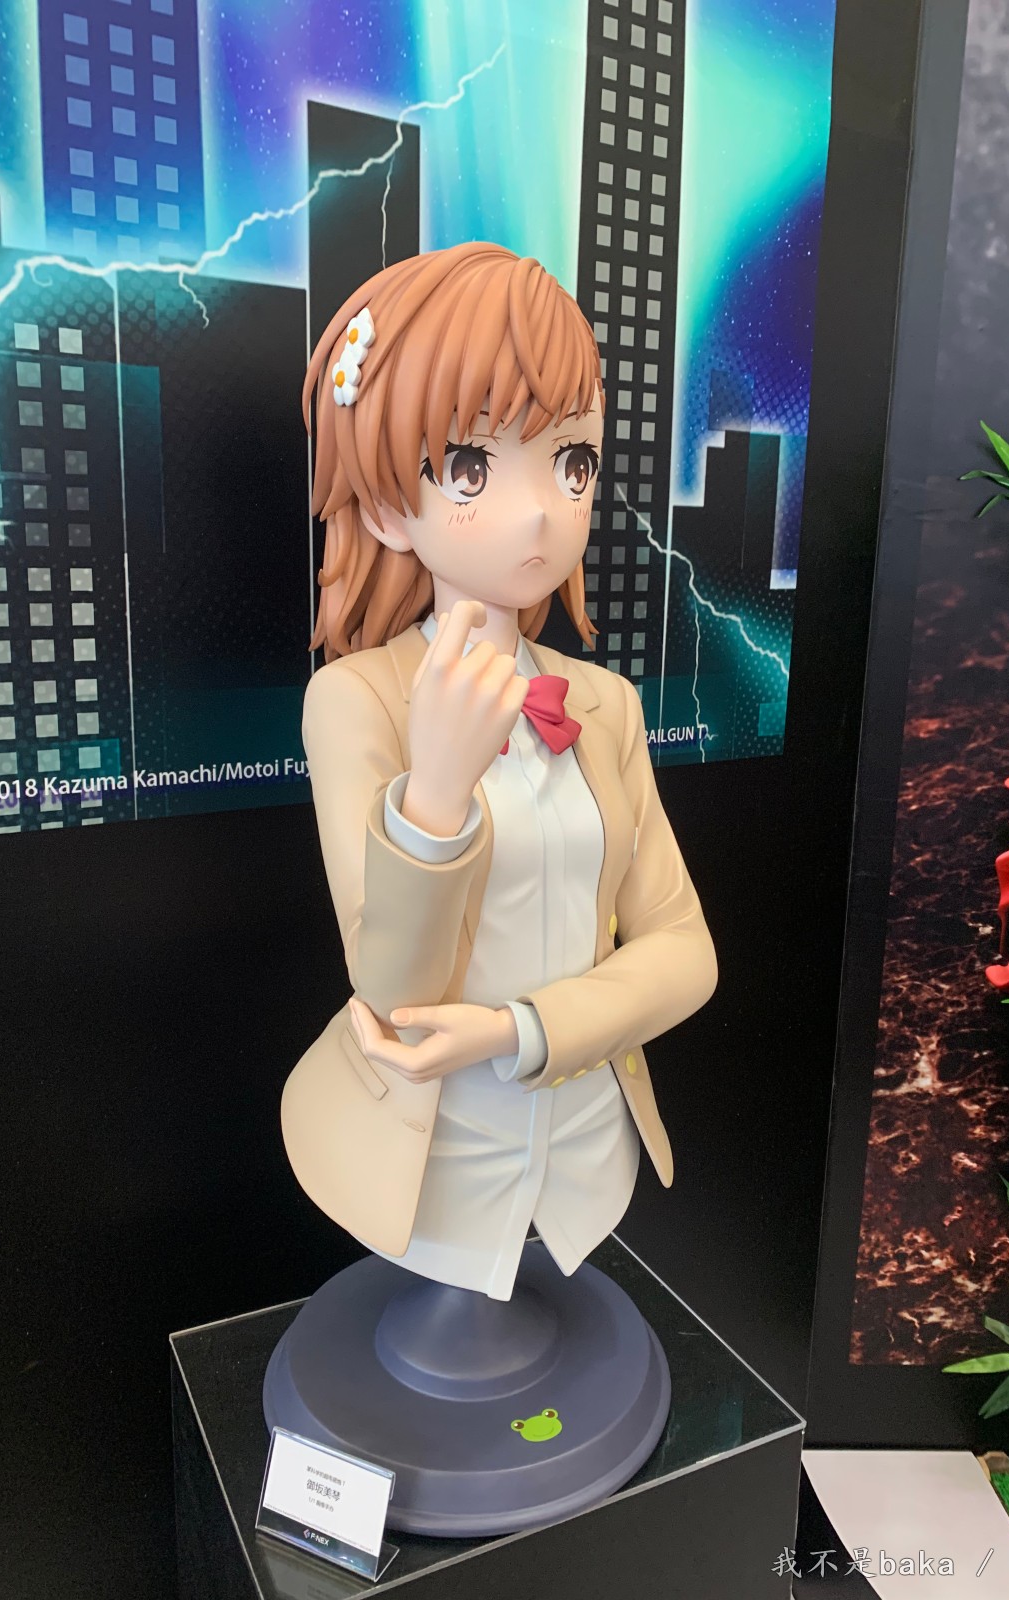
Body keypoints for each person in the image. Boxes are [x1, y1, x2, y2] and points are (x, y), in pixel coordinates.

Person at [281, 240, 717, 1303]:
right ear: (387, 506)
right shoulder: (356, 700)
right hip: (435, 1160)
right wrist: (433, 796)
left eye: (572, 465)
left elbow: (686, 953)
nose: (543, 512)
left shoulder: (604, 704)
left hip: (587, 1142)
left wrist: (521, 1032)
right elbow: (391, 995)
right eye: (473, 467)